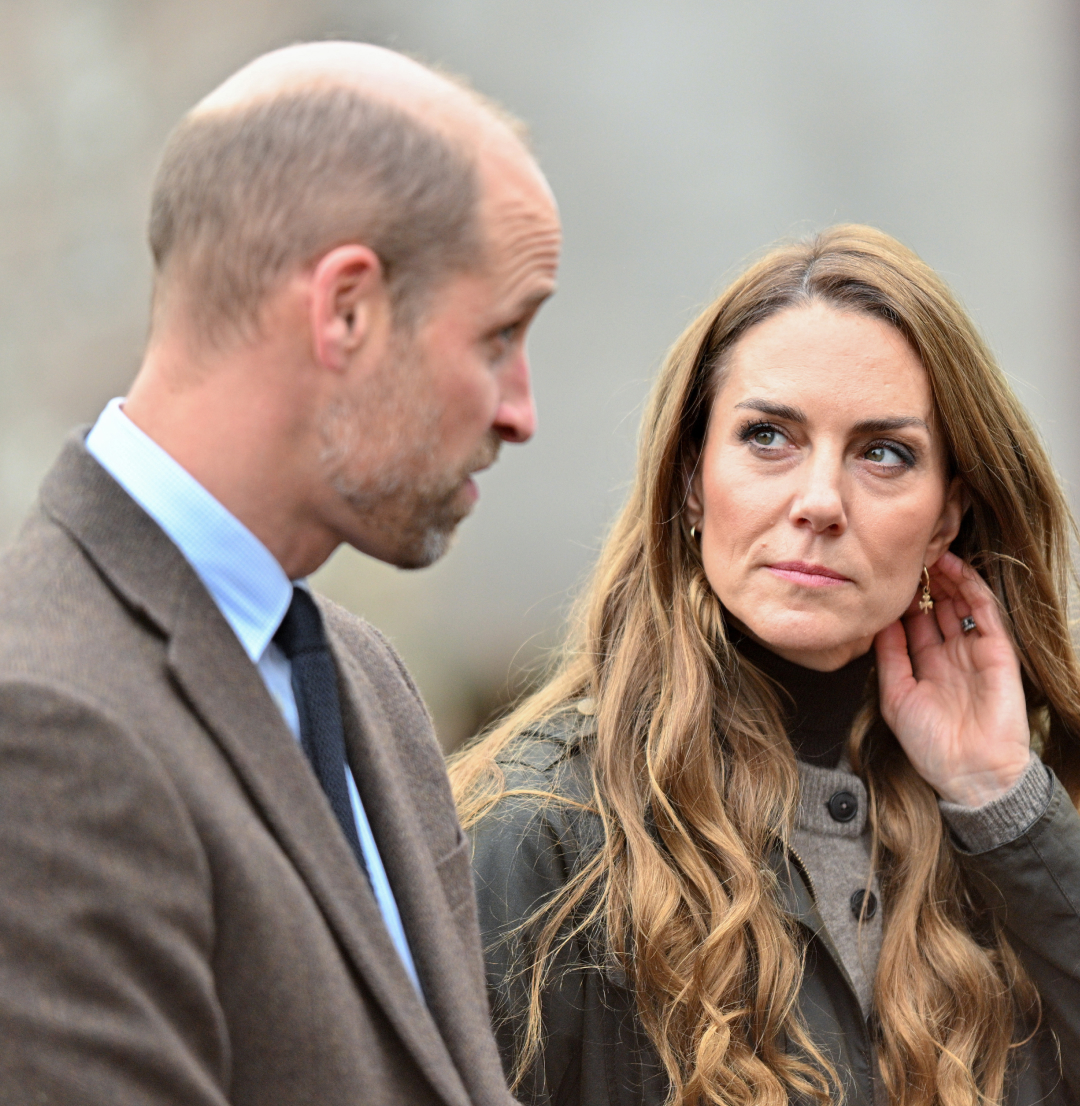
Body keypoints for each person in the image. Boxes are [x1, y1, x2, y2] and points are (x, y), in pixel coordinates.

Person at [0, 41, 560, 1106]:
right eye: (499, 336)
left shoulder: (365, 680)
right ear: (346, 308)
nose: (518, 411)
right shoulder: (41, 719)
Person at [452, 225, 1080, 1106]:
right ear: (691, 481)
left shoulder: (1007, 826)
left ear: (946, 520)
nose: (820, 501)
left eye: (885, 454)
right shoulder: (543, 840)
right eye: (769, 437)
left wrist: (1002, 802)